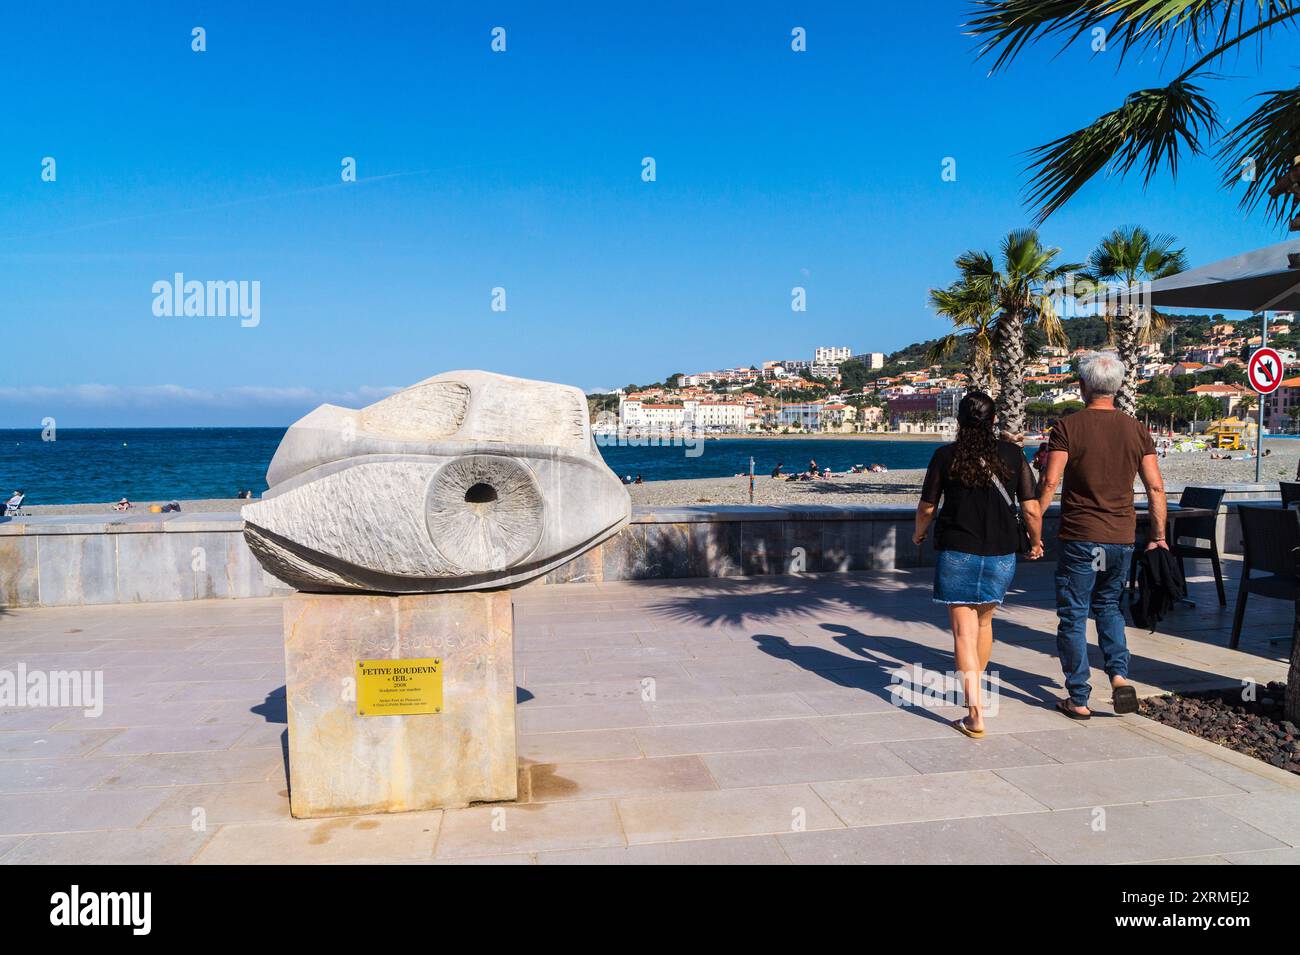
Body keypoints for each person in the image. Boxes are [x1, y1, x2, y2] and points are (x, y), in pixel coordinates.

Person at [1035, 351, 1166, 720]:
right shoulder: (1136, 429)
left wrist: (1032, 524)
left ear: (1081, 387)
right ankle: (1120, 676)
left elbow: (1050, 480)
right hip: (1120, 538)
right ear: (1119, 388)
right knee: (1109, 607)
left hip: (1080, 537)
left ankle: (1078, 696)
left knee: (1074, 614)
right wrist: (1158, 535)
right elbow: (1156, 489)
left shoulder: (1067, 427)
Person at [913, 392, 1043, 739]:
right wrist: (1036, 540)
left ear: (959, 420)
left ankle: (974, 714)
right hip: (1001, 554)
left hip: (958, 551)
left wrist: (919, 534)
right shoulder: (1013, 455)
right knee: (984, 624)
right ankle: (976, 688)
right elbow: (1030, 507)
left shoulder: (945, 456)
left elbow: (927, 506)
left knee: (962, 633)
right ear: (994, 419)